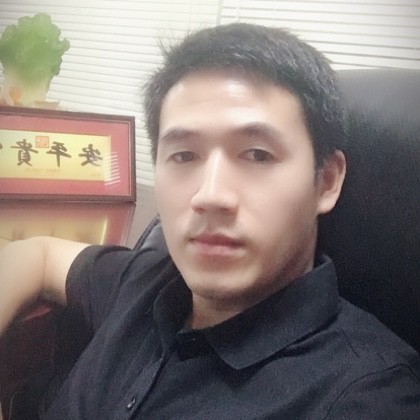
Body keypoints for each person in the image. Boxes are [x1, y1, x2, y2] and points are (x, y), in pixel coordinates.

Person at [1, 23, 420, 419]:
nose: (210, 195)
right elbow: (37, 253)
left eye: (257, 155)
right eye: (184, 155)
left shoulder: (366, 397)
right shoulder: (148, 282)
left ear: (326, 181)